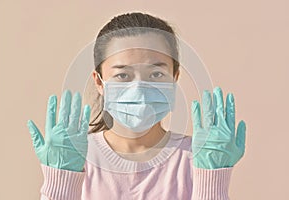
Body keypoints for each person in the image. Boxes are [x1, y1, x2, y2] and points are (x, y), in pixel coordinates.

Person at [27, 12, 246, 200]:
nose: (139, 88)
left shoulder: (199, 157)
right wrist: (61, 182)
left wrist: (213, 177)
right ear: (99, 81)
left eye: (156, 74)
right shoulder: (74, 156)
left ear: (175, 78)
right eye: (122, 75)